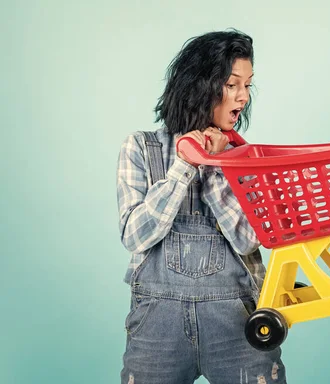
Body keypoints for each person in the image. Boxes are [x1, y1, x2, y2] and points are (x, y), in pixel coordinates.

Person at [116, 29, 286, 384]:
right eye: (232, 84)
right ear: (201, 85)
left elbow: (248, 239)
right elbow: (134, 235)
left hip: (237, 323)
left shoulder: (246, 158)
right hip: (156, 326)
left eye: (248, 85)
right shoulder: (140, 148)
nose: (243, 96)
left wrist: (214, 167)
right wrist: (185, 166)